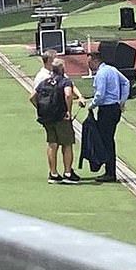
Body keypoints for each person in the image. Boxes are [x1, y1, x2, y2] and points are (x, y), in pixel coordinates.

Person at [31, 50, 86, 183]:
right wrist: (68, 110)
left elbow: (33, 97)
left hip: (48, 117)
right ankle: (67, 173)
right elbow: (68, 94)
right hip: (61, 117)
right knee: (67, 144)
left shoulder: (44, 80)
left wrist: (42, 109)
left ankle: (53, 173)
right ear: (62, 69)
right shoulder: (64, 80)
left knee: (52, 144)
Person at [86, 52, 130, 183]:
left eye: (89, 62)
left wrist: (91, 106)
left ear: (95, 61)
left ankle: (110, 172)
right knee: (108, 140)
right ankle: (108, 169)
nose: (88, 65)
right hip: (115, 108)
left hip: (106, 109)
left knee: (106, 141)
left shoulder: (101, 74)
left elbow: (100, 94)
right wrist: (122, 101)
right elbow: (126, 82)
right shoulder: (112, 69)